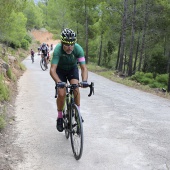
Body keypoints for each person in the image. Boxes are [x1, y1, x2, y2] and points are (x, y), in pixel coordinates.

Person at [50, 28, 89, 132]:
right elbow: (52, 70)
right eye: (67, 44)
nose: (69, 47)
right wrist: (59, 82)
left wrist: (84, 81)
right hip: (60, 70)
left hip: (72, 69)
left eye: (72, 44)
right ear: (62, 43)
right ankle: (59, 117)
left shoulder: (78, 49)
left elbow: (84, 68)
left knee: (76, 89)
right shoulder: (58, 50)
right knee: (62, 93)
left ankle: (77, 114)